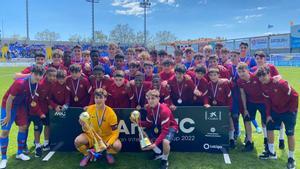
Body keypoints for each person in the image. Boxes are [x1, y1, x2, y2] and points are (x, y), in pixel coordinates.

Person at [0, 65, 45, 168]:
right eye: (36, 74)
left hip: (21, 106)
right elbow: (9, 99)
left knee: (23, 127)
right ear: (31, 73)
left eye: (40, 75)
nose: (38, 77)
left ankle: (19, 153)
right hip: (8, 105)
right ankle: (3, 158)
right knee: (5, 131)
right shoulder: (20, 83)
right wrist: (7, 115)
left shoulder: (38, 84)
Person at [257, 66, 298, 169]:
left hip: (288, 111)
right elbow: (267, 100)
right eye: (260, 77)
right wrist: (268, 114)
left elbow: (295, 95)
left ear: (269, 74)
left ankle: (291, 158)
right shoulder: (263, 85)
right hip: (275, 111)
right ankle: (271, 153)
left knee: (290, 133)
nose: (262, 79)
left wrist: (292, 111)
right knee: (269, 126)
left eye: (264, 76)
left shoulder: (280, 83)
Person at [131, 89, 178, 169]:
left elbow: (165, 131)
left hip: (170, 127)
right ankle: (158, 153)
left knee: (165, 142)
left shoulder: (164, 111)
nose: (150, 101)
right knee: (142, 134)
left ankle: (164, 160)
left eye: (153, 98)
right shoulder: (149, 108)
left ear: (158, 99)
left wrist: (155, 144)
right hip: (158, 126)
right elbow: (149, 123)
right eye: (148, 99)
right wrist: (137, 122)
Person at [74, 88, 122, 167]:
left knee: (117, 146)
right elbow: (86, 129)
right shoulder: (89, 109)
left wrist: (108, 143)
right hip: (92, 136)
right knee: (77, 141)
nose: (98, 100)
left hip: (106, 137)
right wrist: (83, 125)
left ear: (105, 98)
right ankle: (87, 154)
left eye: (101, 98)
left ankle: (108, 153)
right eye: (96, 98)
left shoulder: (111, 113)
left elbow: (115, 132)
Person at [207, 68, 235, 148]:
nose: (213, 77)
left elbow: (229, 97)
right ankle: (217, 138)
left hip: (224, 107)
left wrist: (229, 109)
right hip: (214, 107)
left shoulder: (224, 83)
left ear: (218, 75)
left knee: (229, 121)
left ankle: (231, 139)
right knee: (214, 122)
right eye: (211, 75)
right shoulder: (209, 84)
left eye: (215, 75)